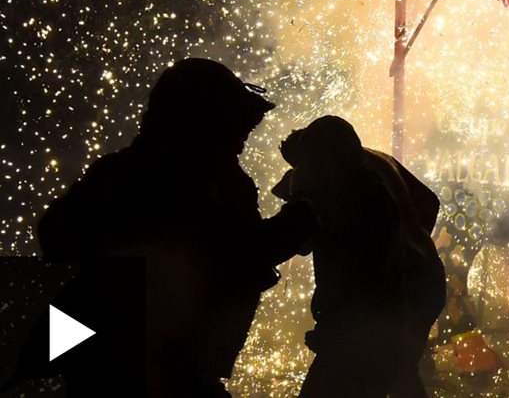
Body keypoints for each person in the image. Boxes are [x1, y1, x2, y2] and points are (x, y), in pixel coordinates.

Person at [36, 58, 316, 397]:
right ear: (202, 122)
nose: (243, 137)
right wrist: (304, 214)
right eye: (234, 126)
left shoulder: (123, 171)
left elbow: (54, 234)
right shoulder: (196, 183)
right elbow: (244, 255)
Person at [273, 115, 445, 398]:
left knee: (379, 371)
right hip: (414, 285)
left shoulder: (349, 186)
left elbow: (306, 245)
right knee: (400, 372)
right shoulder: (363, 171)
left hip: (402, 295)